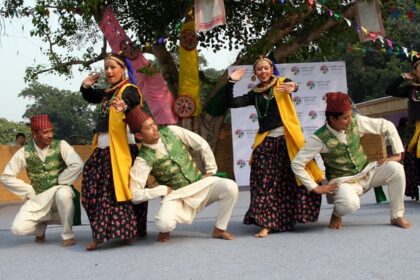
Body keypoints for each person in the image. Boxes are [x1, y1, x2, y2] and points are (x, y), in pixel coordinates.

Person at [226, 56, 323, 238]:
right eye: (259, 69)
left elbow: (292, 85)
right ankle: (266, 223)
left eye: (266, 68)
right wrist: (231, 81)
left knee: (291, 179)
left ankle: (287, 219)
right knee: (263, 182)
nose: (263, 71)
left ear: (271, 69)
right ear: (255, 73)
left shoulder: (282, 83)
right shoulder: (254, 93)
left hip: (288, 140)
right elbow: (232, 103)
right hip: (267, 140)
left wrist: (293, 87)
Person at [291, 92, 411, 229]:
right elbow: (297, 163)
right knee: (350, 204)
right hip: (343, 182)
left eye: (350, 115)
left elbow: (386, 125)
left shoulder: (356, 121)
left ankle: (397, 216)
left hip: (367, 172)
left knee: (396, 169)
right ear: (332, 119)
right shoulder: (319, 138)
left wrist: (397, 153)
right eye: (345, 118)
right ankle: (337, 213)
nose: (350, 120)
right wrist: (315, 188)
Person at [127, 107, 239, 242]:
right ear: (139, 135)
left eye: (153, 124)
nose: (155, 128)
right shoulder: (143, 159)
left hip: (200, 185)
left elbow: (201, 144)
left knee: (230, 187)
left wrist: (211, 170)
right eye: (148, 128)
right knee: (163, 224)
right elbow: (134, 195)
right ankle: (165, 230)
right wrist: (160, 190)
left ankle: (220, 229)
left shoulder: (172, 131)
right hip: (177, 196)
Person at [80, 52, 148, 250]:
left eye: (113, 67)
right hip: (101, 151)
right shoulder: (108, 92)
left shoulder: (129, 90)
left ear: (123, 69)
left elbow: (130, 101)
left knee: (119, 193)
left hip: (121, 151)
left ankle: (122, 232)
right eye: (106, 68)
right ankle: (106, 232)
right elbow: (91, 95)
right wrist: (86, 85)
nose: (109, 71)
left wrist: (123, 105)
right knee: (91, 192)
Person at [0, 115, 83, 246]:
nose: (50, 135)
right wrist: (28, 190)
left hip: (58, 193)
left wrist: (62, 180)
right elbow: (5, 177)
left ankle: (67, 234)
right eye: (45, 132)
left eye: (51, 131)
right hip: (38, 198)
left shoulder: (61, 145)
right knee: (17, 228)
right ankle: (40, 228)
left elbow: (77, 164)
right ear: (34, 134)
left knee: (64, 194)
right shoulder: (24, 152)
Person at [386, 54, 420, 200]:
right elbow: (390, 90)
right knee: (415, 160)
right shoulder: (410, 89)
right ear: (414, 72)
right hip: (417, 131)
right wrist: (401, 77)